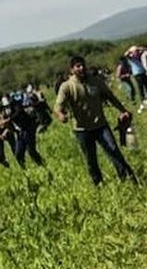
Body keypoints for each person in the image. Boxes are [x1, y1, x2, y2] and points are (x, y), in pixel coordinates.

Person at [54, 55, 138, 186]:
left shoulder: (96, 81)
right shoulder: (67, 87)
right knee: (91, 159)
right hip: (82, 130)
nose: (81, 68)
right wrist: (61, 115)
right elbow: (58, 106)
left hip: (101, 126)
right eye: (78, 66)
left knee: (113, 150)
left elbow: (110, 97)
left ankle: (128, 178)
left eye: (83, 65)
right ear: (71, 70)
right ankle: (98, 184)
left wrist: (123, 110)